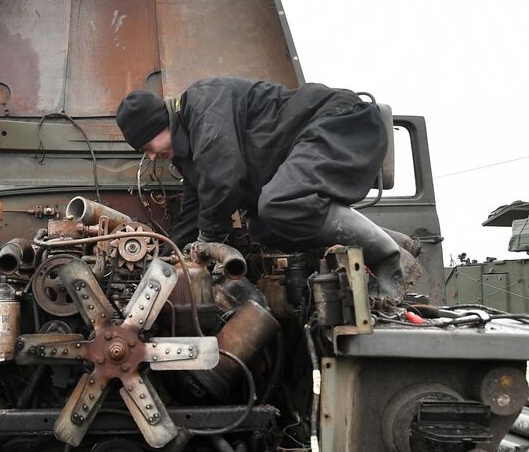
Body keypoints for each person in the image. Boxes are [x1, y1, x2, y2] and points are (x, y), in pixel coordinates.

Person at [115, 77, 420, 299]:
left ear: (160, 124)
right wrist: (165, 257)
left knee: (279, 203)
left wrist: (208, 239)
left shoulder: (203, 102)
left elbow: (223, 177)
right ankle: (394, 241)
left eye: (148, 146)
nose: (151, 156)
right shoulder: (190, 155)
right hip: (312, 139)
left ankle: (390, 260)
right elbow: (195, 210)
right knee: (263, 228)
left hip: (336, 121)